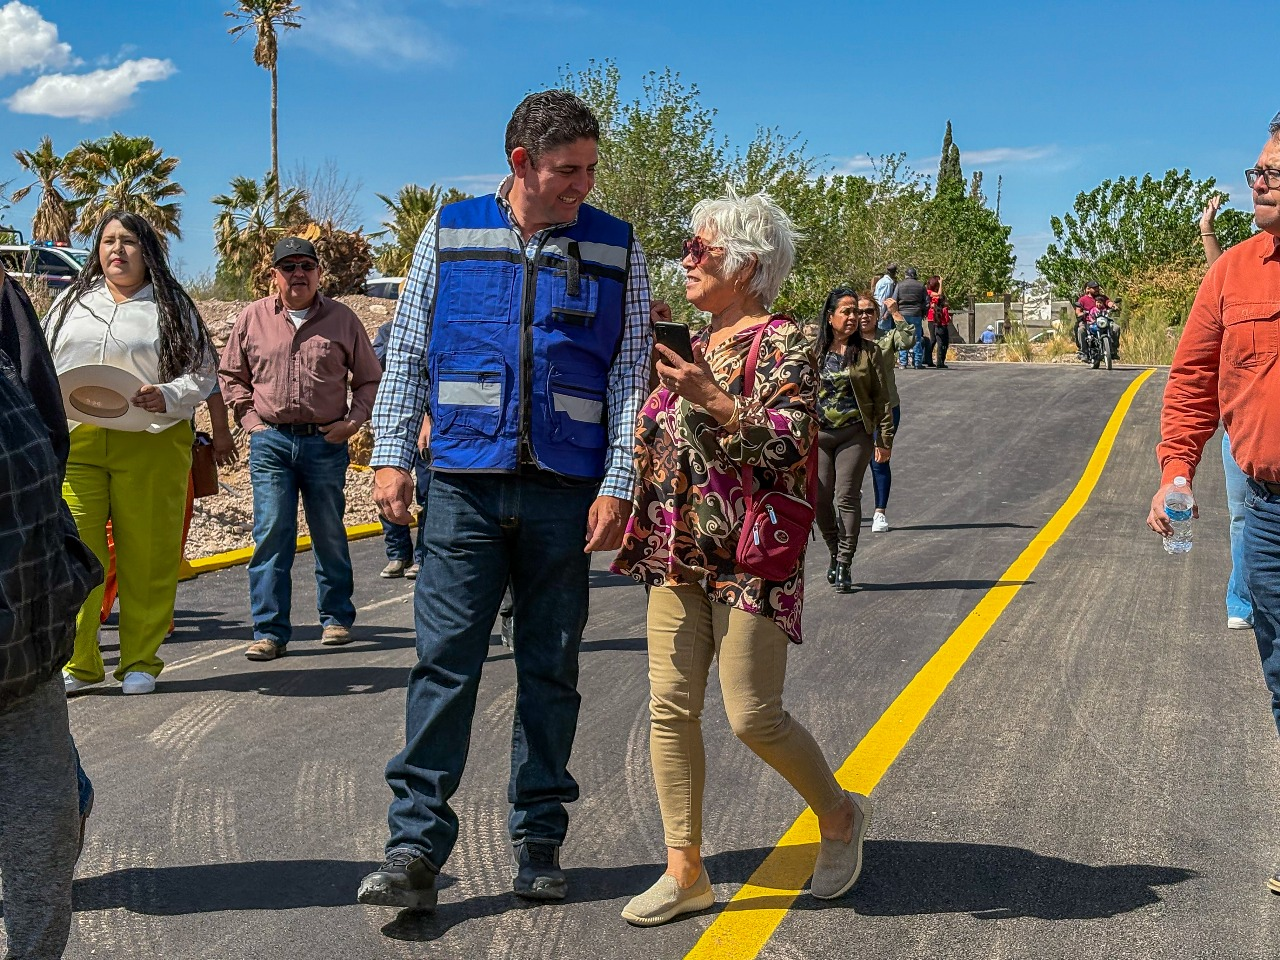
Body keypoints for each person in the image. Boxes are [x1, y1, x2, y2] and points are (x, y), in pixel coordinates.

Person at [360, 89, 652, 911]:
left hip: (565, 493)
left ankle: (539, 840)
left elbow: (629, 372)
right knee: (443, 668)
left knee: (550, 671)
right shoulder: (450, 230)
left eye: (592, 169)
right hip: (461, 486)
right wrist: (390, 455)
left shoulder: (617, 244)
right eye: (568, 170)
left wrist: (620, 479)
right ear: (519, 161)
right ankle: (415, 845)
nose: (583, 186)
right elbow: (411, 343)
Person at [611, 191, 871, 927]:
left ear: (748, 265)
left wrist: (715, 401)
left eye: (703, 250)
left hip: (751, 556)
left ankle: (841, 815)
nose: (687, 260)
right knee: (670, 709)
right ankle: (685, 869)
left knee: (753, 716)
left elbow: (791, 443)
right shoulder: (691, 339)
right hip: (675, 552)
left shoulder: (785, 341)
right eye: (688, 249)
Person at [1146, 112, 1280, 896]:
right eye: (1257, 170)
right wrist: (1177, 470)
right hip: (1266, 510)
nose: (1255, 183)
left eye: (1270, 173)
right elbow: (1193, 377)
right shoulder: (1232, 270)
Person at [45, 211, 216, 696]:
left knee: (147, 553)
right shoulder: (69, 303)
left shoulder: (172, 305)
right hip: (78, 441)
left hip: (153, 440)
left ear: (148, 251)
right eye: (107, 241)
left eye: (128, 242)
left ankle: (140, 660)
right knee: (76, 551)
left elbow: (204, 372)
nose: (116, 250)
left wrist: (168, 394)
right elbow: (42, 360)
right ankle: (79, 663)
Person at [0, 258, 103, 960]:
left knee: (45, 843)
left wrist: (60, 574)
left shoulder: (6, 325)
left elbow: (49, 446)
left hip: (25, 663)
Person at [220, 237, 381, 662]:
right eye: (288, 266)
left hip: (325, 443)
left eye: (306, 265)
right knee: (272, 532)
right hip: (271, 442)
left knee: (328, 531)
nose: (298, 274)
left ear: (318, 273)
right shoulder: (251, 318)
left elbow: (369, 378)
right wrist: (250, 423)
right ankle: (269, 630)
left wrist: (352, 422)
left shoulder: (344, 320)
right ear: (273, 275)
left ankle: (335, 619)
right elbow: (230, 376)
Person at [814, 288, 893, 592]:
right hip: (819, 436)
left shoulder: (869, 352)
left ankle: (845, 562)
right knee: (820, 498)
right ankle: (834, 551)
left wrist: (884, 440)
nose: (853, 318)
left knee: (846, 496)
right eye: (846, 312)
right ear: (830, 316)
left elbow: (881, 399)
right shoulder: (814, 351)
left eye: (856, 312)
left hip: (854, 434)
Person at [1200, 195, 1254, 630]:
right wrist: (1207, 229)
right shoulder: (1244, 270)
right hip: (1242, 431)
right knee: (1241, 515)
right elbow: (1222, 270)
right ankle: (1241, 598)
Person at [371, 320, 429, 579]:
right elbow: (377, 365)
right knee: (391, 492)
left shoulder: (444, 324)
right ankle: (397, 554)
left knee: (429, 496)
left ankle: (422, 557)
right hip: (401, 424)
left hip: (433, 429)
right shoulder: (388, 330)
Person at [869, 299, 909, 533]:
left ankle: (879, 512)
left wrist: (895, 313)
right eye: (859, 311)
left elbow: (908, 339)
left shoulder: (887, 338)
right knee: (851, 461)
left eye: (869, 312)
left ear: (877, 315)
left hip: (885, 408)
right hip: (851, 409)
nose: (863, 316)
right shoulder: (845, 341)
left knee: (879, 459)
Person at [886, 267, 927, 369]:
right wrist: (923, 313)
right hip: (916, 314)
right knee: (917, 338)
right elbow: (927, 302)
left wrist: (891, 313)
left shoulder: (900, 285)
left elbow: (894, 299)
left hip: (902, 314)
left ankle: (903, 362)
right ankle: (917, 363)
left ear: (906, 275)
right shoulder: (921, 286)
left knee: (903, 337)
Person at [924, 275, 952, 368]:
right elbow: (939, 294)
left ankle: (929, 359)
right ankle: (928, 358)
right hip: (933, 318)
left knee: (935, 339)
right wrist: (941, 284)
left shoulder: (933, 293)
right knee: (934, 339)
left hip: (936, 317)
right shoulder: (929, 292)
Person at [873, 262, 898, 331]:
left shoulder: (881, 281)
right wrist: (883, 315)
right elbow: (884, 299)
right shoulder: (888, 283)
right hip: (882, 314)